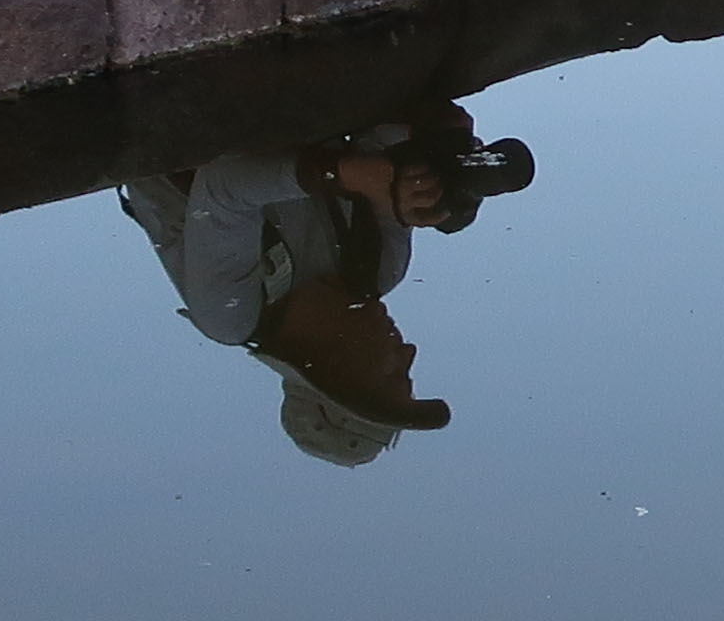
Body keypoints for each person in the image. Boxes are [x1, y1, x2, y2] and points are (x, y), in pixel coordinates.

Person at [116, 101, 537, 466]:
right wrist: (434, 164)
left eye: (395, 374)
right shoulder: (378, 268)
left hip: (168, 112)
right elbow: (381, 141)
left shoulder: (231, 313)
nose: (408, 352)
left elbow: (224, 185)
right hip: (283, 101)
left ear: (338, 374)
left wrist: (345, 175)